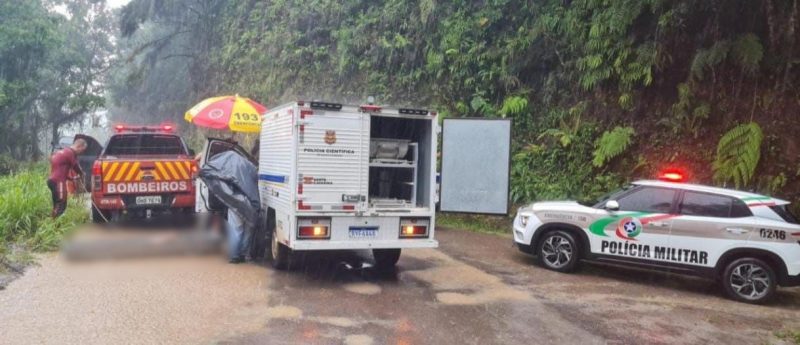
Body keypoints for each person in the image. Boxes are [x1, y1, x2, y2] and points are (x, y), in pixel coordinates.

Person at [48, 138, 87, 218]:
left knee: (57, 205)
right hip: (58, 182)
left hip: (52, 180)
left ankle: (52, 226)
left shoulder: (63, 151)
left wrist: (72, 178)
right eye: (82, 150)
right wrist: (82, 173)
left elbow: (60, 170)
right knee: (61, 205)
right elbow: (76, 166)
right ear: (79, 146)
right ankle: (54, 227)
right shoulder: (70, 153)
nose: (81, 153)